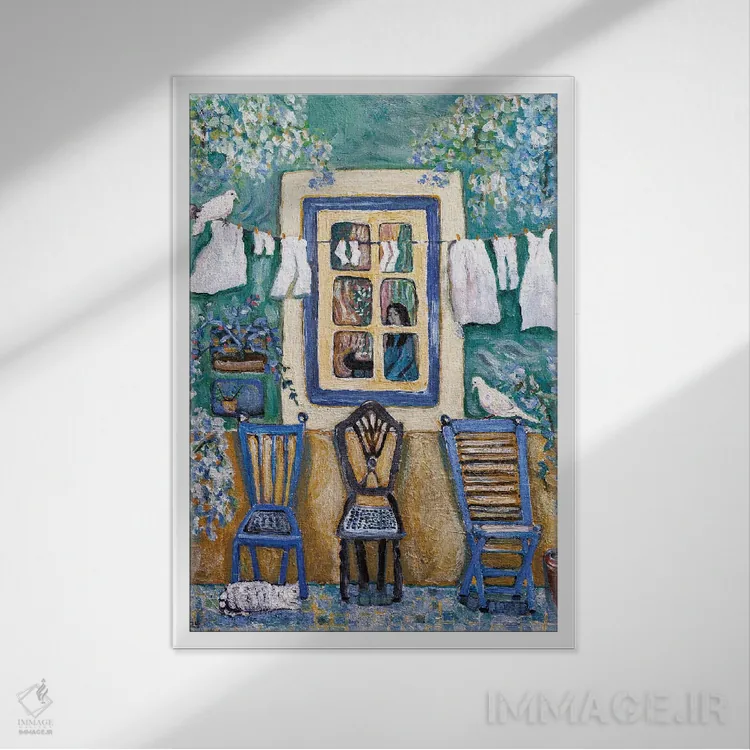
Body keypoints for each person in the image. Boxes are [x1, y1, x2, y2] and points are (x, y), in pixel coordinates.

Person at [383, 303, 418, 382]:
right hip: (391, 378)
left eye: (395, 314)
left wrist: (389, 377)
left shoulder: (408, 336)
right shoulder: (390, 338)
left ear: (402, 316)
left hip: (406, 378)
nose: (392, 318)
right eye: (389, 315)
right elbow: (387, 361)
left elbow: (406, 359)